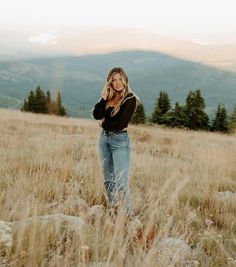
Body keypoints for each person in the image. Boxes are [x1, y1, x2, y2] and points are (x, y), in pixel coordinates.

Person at [93, 67, 139, 217]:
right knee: (108, 181)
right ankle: (114, 210)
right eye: (114, 79)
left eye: (120, 79)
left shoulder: (130, 99)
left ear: (125, 80)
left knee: (121, 182)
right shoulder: (109, 97)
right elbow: (96, 114)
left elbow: (121, 124)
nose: (118, 83)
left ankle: (128, 217)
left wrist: (103, 123)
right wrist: (104, 97)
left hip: (120, 142)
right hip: (104, 140)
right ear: (110, 82)